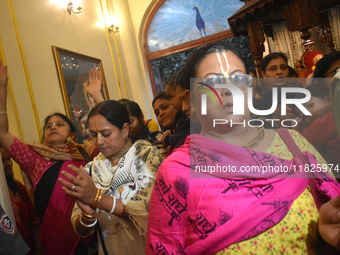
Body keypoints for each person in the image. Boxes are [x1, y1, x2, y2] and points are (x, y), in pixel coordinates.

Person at [146, 42, 340, 254]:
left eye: (238, 79)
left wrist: (325, 234)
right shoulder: (178, 171)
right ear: (190, 100)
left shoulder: (292, 142)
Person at [0, 59, 97, 254]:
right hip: (55, 241)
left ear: (72, 133)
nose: (53, 126)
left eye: (59, 124)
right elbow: (2, 133)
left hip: (89, 232)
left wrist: (97, 97)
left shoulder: (87, 151)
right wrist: (2, 89)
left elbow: (110, 132)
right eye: (49, 125)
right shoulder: (34, 158)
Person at [58, 100, 163, 255]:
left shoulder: (145, 156)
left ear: (125, 129)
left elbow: (149, 212)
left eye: (106, 134)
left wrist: (97, 198)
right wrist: (87, 215)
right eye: (93, 135)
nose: (99, 141)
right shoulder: (91, 170)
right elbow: (82, 231)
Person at [1, 148, 41, 255]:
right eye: (3, 161)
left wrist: (38, 246)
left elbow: (34, 219)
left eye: (9, 159)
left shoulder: (19, 188)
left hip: (30, 247)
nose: (9, 164)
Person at [294, 84, 340, 166]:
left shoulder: (322, 122)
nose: (307, 114)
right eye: (303, 115)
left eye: (310, 105)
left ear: (328, 99)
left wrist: (295, 130)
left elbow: (303, 148)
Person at [161, 74, 190, 149]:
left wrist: (167, 139)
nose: (171, 102)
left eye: (172, 97)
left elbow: (182, 137)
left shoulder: (188, 117)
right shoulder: (181, 115)